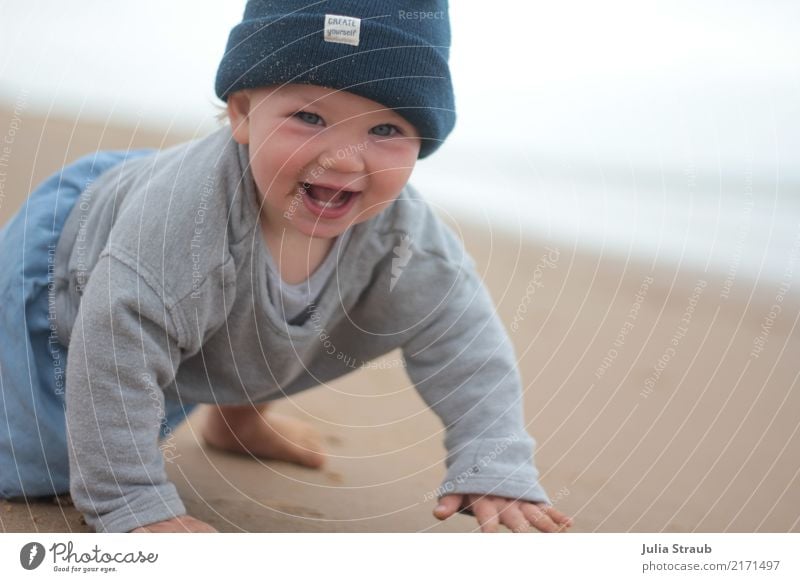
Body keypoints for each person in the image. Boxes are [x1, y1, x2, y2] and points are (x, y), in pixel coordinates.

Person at [0, 0, 573, 534]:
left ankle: (236, 421)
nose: (344, 157)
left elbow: (465, 341)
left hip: (193, 294)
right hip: (70, 275)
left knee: (264, 305)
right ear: (243, 114)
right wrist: (130, 501)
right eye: (308, 117)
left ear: (422, 141)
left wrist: (493, 459)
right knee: (32, 468)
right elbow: (114, 343)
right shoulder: (181, 225)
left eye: (385, 130)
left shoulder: (406, 244)